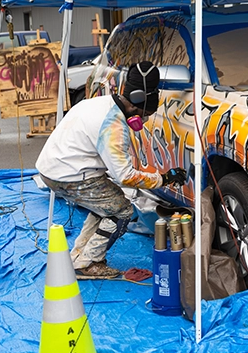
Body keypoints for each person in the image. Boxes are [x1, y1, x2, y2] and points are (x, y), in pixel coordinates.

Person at [36, 61, 188, 279]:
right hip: (68, 175)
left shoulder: (100, 103)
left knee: (106, 206)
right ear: (136, 105)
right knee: (122, 211)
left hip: (55, 167)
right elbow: (125, 176)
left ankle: (79, 257)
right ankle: (89, 263)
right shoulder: (114, 126)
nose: (143, 121)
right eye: (145, 114)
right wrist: (162, 179)